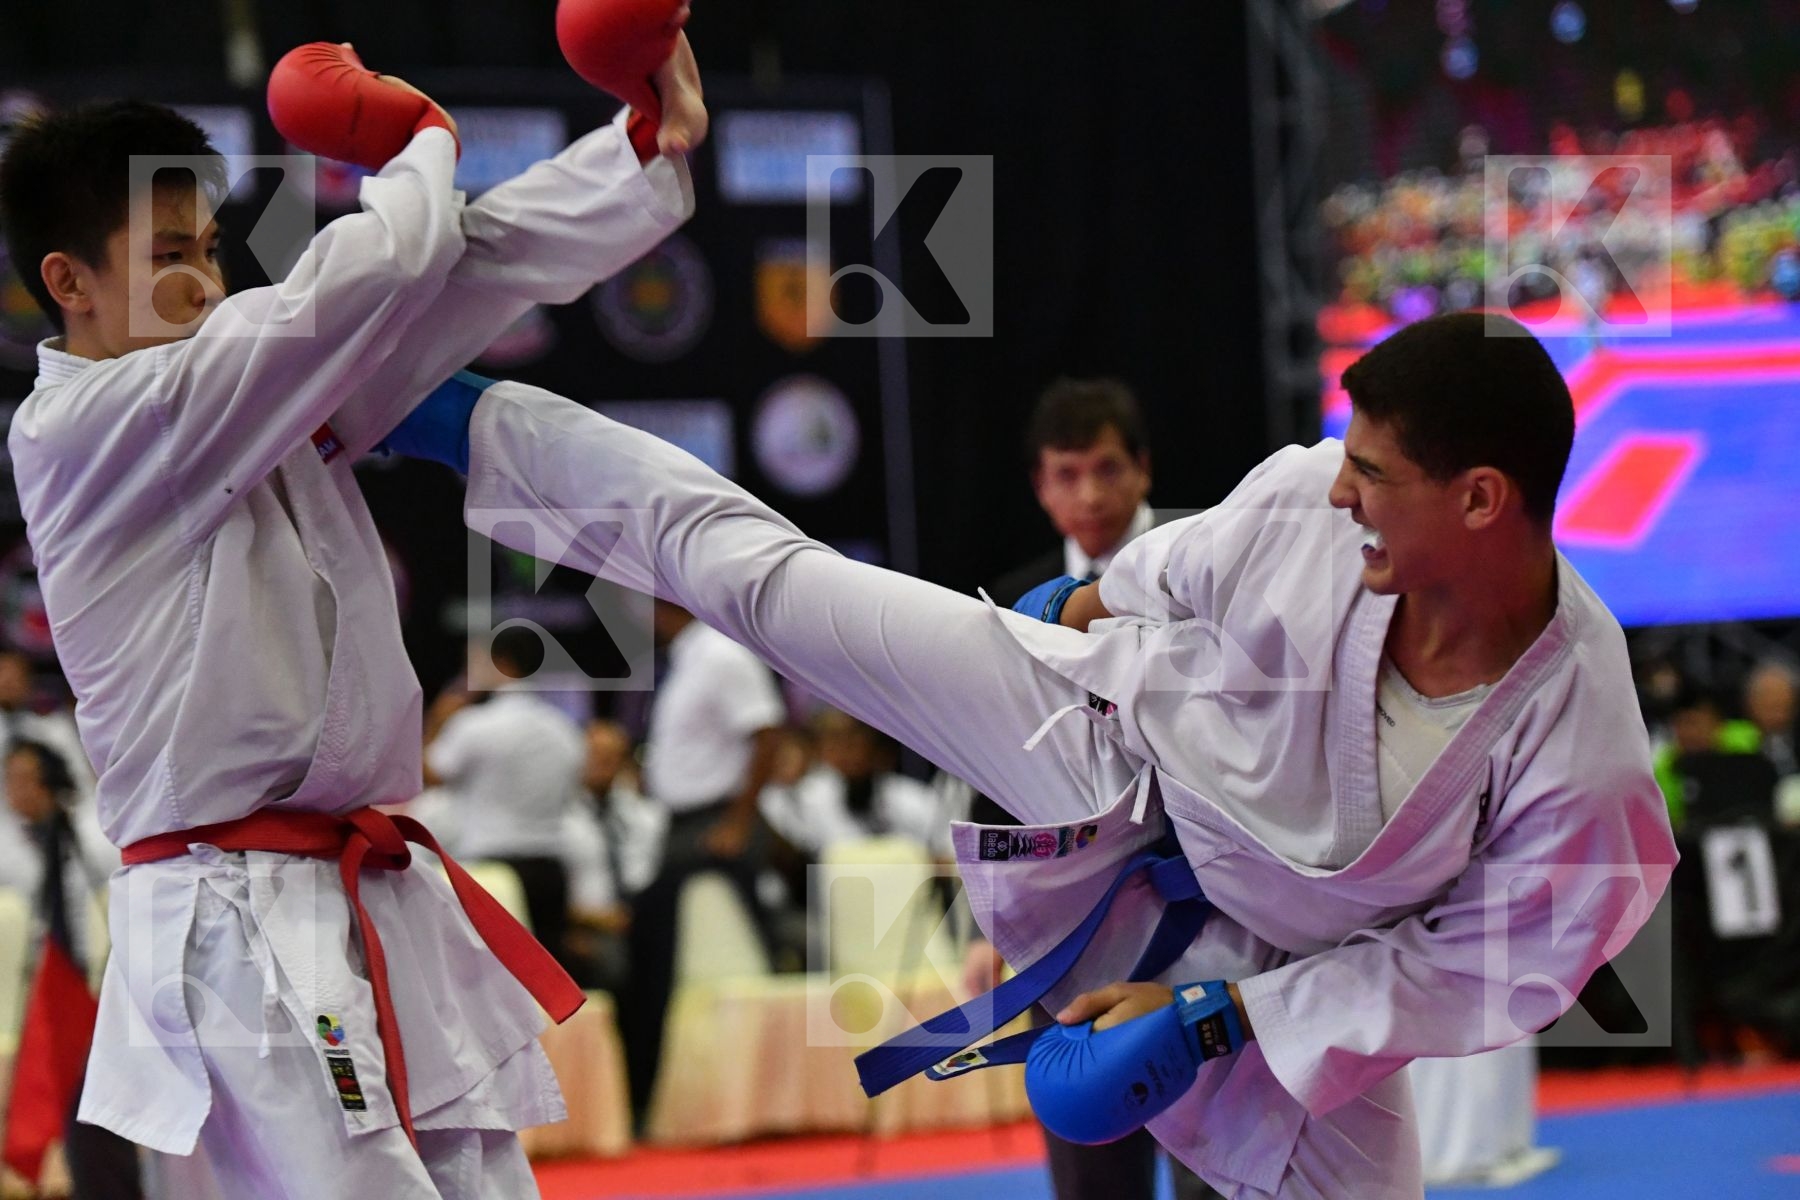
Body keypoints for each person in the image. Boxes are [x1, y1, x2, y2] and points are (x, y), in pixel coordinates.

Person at [390, 308, 1676, 1198]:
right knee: (781, 587)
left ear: (1482, 500)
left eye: (1376, 474)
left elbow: (1478, 971)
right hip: (1109, 751)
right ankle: (471, 422)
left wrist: (1231, 1016)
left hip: (1291, 964)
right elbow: (1167, 572)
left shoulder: (1584, 745)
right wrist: (1076, 609)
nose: (1342, 491)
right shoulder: (1302, 497)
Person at [0, 34, 706, 1197]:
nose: (210, 279)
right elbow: (370, 278)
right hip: (232, 921)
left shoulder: (247, 384)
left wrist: (640, 156)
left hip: (368, 888)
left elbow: (450, 276)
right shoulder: (92, 426)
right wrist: (418, 141)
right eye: (169, 254)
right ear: (68, 281)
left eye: (212, 249)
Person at [960, 377, 1214, 1200]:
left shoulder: (1204, 566)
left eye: (1107, 468)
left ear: (1143, 468)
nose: (1091, 494)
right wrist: (984, 921)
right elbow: (991, 760)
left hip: (1210, 897)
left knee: (1226, 1155)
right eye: (1067, 474)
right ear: (1039, 485)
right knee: (1094, 1167)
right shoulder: (1016, 600)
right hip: (1070, 918)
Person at [622, 598, 789, 1121]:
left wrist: (740, 820)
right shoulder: (683, 662)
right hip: (681, 825)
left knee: (657, 947)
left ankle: (647, 1093)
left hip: (716, 824)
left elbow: (766, 732)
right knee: (647, 950)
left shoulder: (721, 655)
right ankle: (648, 1092)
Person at [424, 626, 590, 970]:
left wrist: (437, 721)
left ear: (500, 662)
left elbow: (429, 775)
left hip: (492, 870)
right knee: (550, 987)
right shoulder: (564, 729)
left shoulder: (475, 725)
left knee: (495, 984)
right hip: (550, 869)